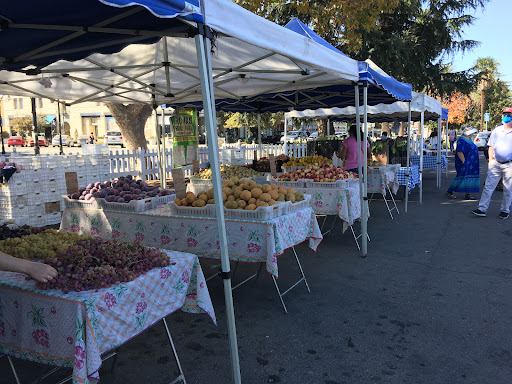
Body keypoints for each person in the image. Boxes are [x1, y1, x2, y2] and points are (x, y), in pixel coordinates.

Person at [472, 107, 512, 219]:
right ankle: (482, 209)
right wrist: (491, 160)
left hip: (509, 164)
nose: (506, 116)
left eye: (509, 114)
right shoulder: (497, 131)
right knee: (488, 187)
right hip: (496, 163)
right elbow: (491, 146)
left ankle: (505, 210)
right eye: (505, 114)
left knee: (508, 189)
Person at [446, 127, 479, 200]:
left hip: (472, 162)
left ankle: (468, 193)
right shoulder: (461, 140)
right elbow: (459, 151)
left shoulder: (469, 139)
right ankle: (450, 191)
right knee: (461, 177)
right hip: (465, 162)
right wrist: (464, 161)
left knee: (469, 177)